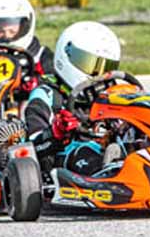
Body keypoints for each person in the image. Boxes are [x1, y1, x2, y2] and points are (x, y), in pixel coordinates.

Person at [24, 20, 122, 177]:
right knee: (87, 153)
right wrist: (55, 132)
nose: (99, 74)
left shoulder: (109, 94)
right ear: (67, 55)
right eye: (91, 65)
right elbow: (32, 146)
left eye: (106, 67)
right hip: (64, 159)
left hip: (108, 148)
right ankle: (108, 170)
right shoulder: (47, 94)